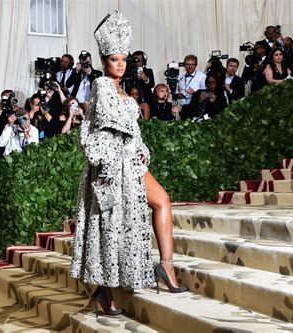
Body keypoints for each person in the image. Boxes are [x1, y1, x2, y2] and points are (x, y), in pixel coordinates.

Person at [70, 10, 187, 317]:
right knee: (107, 225)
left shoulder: (126, 93)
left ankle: (166, 267)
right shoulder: (101, 86)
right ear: (104, 61)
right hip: (110, 167)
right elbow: (103, 126)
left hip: (131, 164)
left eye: (123, 60)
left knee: (162, 200)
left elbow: (133, 132)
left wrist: (141, 149)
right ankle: (105, 293)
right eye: (114, 59)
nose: (120, 65)